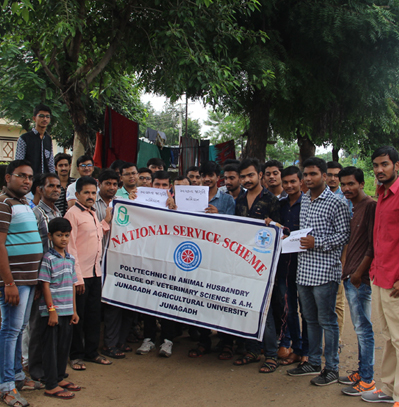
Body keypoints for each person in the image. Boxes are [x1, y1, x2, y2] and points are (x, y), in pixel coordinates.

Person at [287, 157, 350, 386]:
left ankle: (331, 367)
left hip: (325, 272)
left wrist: (318, 243)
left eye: (313, 174)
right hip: (304, 271)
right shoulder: (304, 200)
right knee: (310, 319)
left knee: (327, 320)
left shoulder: (337, 203)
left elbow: (344, 236)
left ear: (325, 176)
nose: (308, 178)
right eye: (306, 174)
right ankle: (313, 362)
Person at [0, 160, 44, 407]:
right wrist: (8, 283)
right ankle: (6, 387)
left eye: (30, 177)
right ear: (8, 178)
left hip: (28, 279)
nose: (27, 181)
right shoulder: (3, 204)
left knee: (18, 330)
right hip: (14, 281)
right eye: (21, 176)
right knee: (9, 330)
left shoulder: (25, 204)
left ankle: (17, 375)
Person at [230, 158, 281, 373]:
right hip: (243, 262)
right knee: (247, 307)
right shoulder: (240, 198)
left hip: (265, 265)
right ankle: (251, 350)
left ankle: (271, 355)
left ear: (260, 175)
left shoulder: (271, 200)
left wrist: (274, 226)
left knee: (265, 311)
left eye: (250, 175)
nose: (246, 180)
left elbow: (281, 231)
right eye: (243, 177)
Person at [361, 146, 399, 405]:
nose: (379, 169)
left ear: (396, 165)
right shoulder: (382, 194)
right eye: (376, 165)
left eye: (384, 164)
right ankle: (388, 388)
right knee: (389, 337)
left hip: (395, 280)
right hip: (380, 276)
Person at [64, 176, 112, 370]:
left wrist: (106, 222)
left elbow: (97, 233)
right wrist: (77, 277)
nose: (91, 196)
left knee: (93, 315)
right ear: (77, 195)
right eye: (86, 193)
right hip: (80, 275)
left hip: (95, 272)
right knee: (78, 317)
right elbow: (70, 247)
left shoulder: (92, 214)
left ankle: (92, 352)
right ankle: (75, 355)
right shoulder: (72, 214)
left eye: (93, 193)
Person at [336, 167, 376, 396]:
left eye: (351, 184)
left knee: (364, 329)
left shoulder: (370, 206)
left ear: (361, 183)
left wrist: (358, 274)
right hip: (351, 275)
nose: (346, 188)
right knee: (360, 327)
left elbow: (372, 245)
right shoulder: (353, 207)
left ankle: (368, 380)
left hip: (359, 279)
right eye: (343, 185)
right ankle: (361, 372)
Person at [135, 171, 177, 358]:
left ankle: (168, 340)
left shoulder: (178, 203)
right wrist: (131, 201)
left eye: (164, 185)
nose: (160, 189)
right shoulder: (141, 199)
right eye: (157, 185)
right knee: (148, 297)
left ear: (170, 186)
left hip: (170, 258)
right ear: (151, 185)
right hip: (148, 257)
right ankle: (149, 338)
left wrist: (174, 210)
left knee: (168, 297)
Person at [38, 217, 80, 400]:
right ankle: (51, 385)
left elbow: (72, 285)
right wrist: (51, 310)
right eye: (59, 235)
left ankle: (60, 377)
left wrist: (74, 310)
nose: (63, 239)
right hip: (52, 313)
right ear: (50, 236)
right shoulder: (48, 258)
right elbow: (45, 285)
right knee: (51, 348)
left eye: (66, 235)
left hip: (67, 311)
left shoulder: (70, 259)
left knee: (64, 347)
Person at [271, 166, 309, 366]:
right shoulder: (281, 204)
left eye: (293, 181)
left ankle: (307, 351)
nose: (289, 186)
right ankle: (296, 347)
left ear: (301, 182)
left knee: (307, 311)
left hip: (306, 264)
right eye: (286, 182)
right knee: (290, 309)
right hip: (285, 265)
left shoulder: (309, 204)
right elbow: (277, 228)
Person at [28, 173, 62, 382]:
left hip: (57, 276)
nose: (56, 189)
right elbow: (35, 247)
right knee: (38, 324)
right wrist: (39, 280)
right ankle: (35, 368)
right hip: (42, 277)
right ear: (40, 189)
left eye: (58, 186)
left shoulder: (57, 211)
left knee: (52, 322)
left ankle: (50, 365)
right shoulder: (37, 213)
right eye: (51, 186)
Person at [326, 161, 352, 349]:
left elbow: (348, 232)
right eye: (330, 174)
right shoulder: (317, 196)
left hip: (341, 256)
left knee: (338, 301)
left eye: (337, 175)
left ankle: (337, 340)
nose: (333, 178)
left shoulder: (348, 198)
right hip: (321, 258)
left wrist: (344, 258)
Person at [15, 104, 55, 175]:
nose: (45, 119)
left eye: (47, 116)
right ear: (34, 118)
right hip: (29, 180)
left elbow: (50, 163)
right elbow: (19, 162)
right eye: (41, 116)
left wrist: (54, 178)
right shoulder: (24, 138)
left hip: (45, 182)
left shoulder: (48, 139)